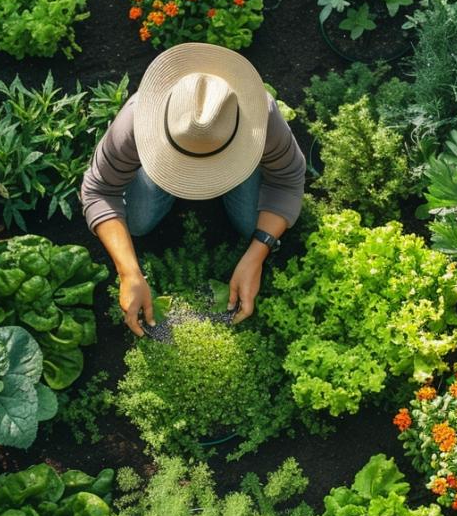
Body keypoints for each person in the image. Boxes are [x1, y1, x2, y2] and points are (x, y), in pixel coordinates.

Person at [80, 42, 306, 336]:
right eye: (187, 165)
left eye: (210, 162)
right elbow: (98, 189)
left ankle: (236, 183)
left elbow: (288, 180)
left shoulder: (262, 119)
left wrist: (257, 255)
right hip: (154, 166)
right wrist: (129, 271)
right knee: (137, 221)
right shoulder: (136, 121)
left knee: (252, 225)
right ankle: (163, 175)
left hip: (244, 167)